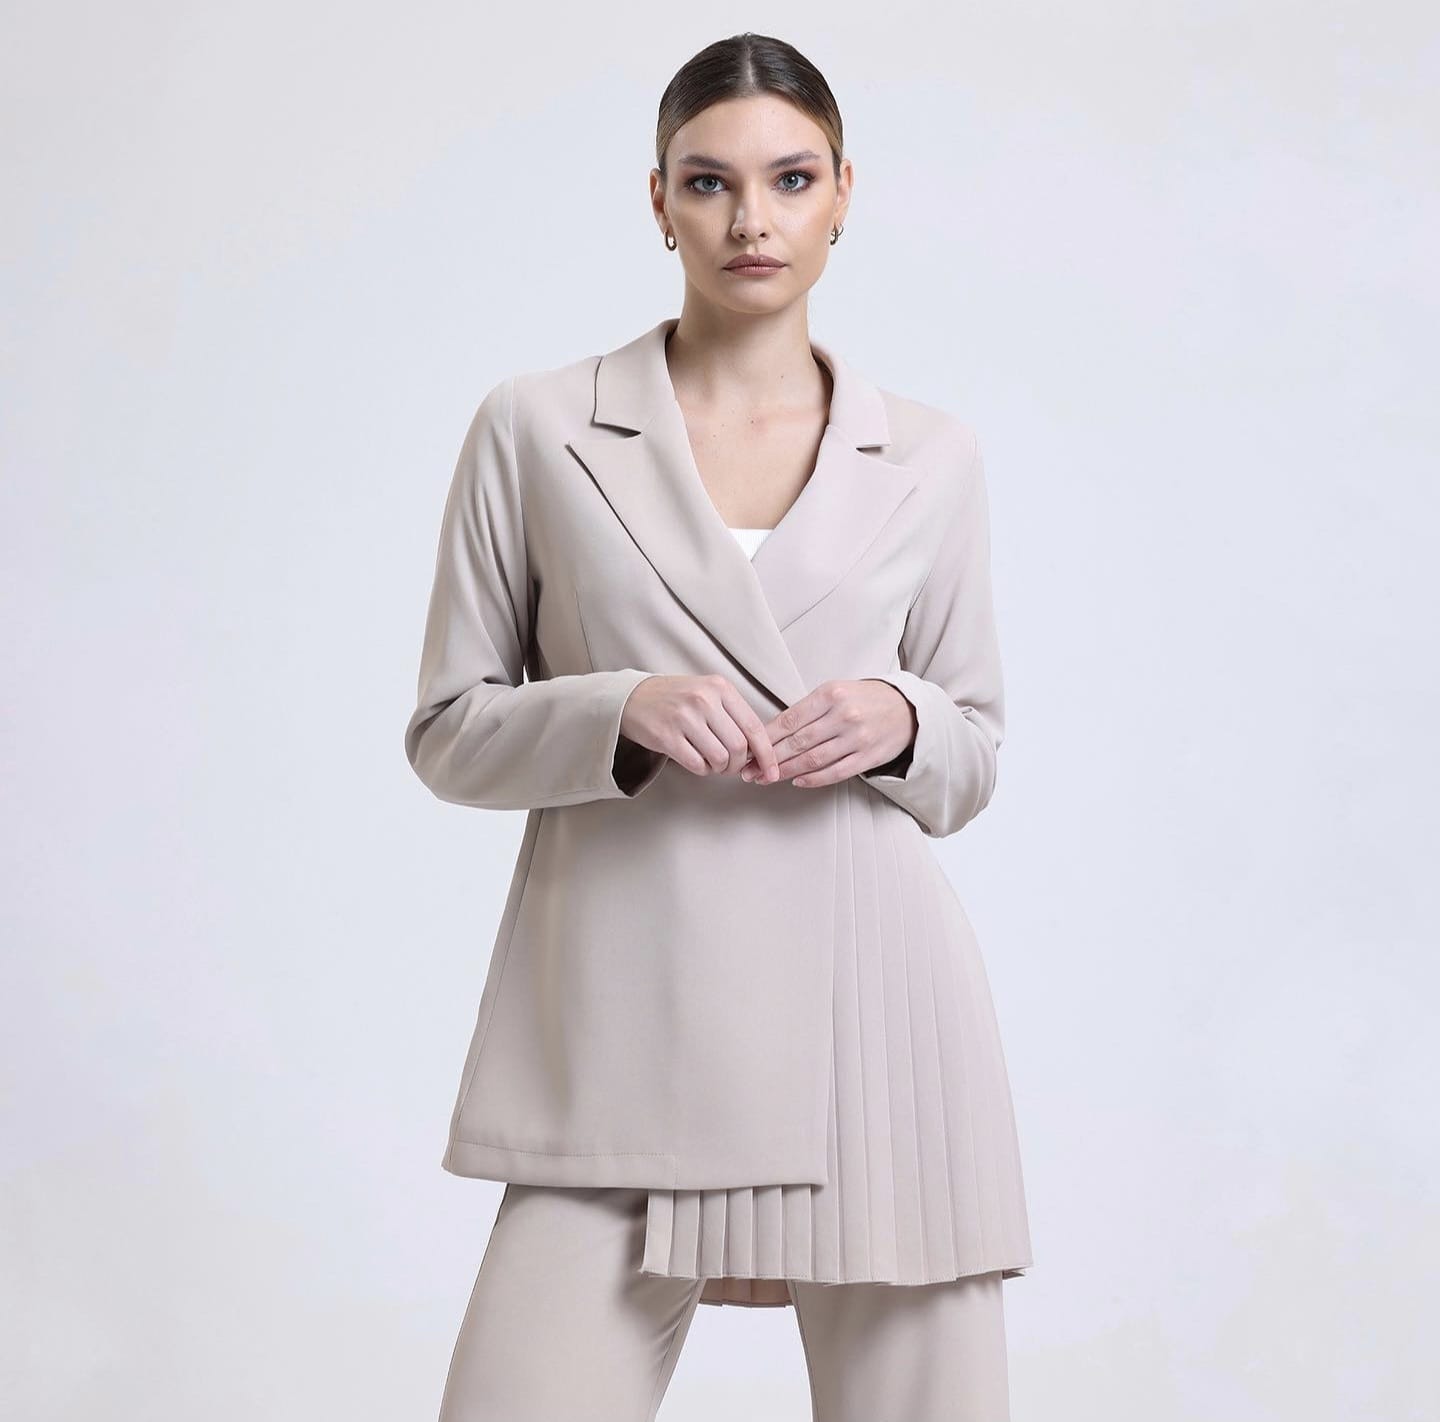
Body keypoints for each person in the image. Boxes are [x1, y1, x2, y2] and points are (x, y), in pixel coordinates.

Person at [404, 31, 1033, 1422]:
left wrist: (900, 716)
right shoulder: (539, 427)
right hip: (621, 1012)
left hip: (873, 1026)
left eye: (791, 178)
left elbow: (974, 750)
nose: (753, 218)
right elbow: (449, 728)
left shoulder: (930, 455)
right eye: (710, 182)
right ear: (659, 201)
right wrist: (617, 708)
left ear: (844, 193)